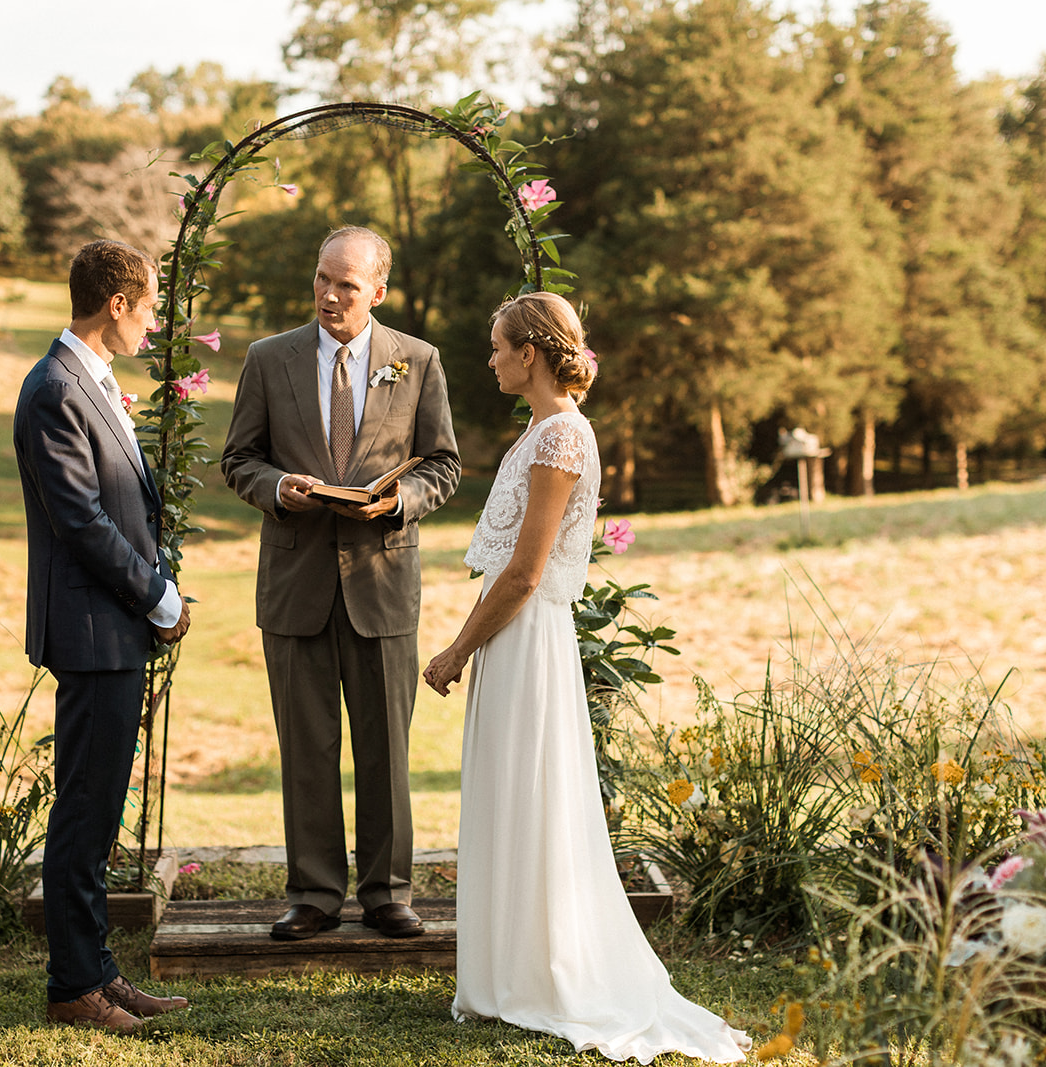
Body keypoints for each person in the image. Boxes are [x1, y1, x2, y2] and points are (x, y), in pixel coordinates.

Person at [423, 292, 749, 1062]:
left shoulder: (562, 438)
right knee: (509, 794)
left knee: (531, 795)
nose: (492, 357)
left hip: (526, 636)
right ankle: (509, 970)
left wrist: (456, 649)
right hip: (513, 636)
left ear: (530, 353)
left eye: (499, 345)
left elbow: (526, 573)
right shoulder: (540, 430)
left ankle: (547, 972)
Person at [221, 226, 461, 941]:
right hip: (295, 583)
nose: (328, 295)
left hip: (383, 583)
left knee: (386, 747)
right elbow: (239, 459)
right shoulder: (269, 359)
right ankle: (314, 893)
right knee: (305, 745)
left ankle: (388, 892)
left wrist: (401, 500)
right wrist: (277, 489)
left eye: (346, 285)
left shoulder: (418, 361)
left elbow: (443, 464)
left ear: (378, 292)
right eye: (322, 279)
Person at [13, 239, 193, 1032]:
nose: (153, 321)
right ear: (115, 303)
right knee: (84, 811)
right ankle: (71, 987)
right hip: (93, 628)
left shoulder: (91, 379)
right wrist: (158, 595)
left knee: (98, 807)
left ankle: (99, 973)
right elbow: (81, 519)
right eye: (148, 304)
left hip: (111, 628)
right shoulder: (55, 388)